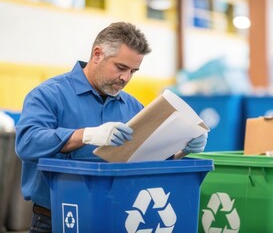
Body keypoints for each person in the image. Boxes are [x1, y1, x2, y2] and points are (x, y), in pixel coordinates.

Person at [15, 22, 208, 233]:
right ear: (97, 54)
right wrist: (86, 135)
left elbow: (150, 161)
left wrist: (182, 149)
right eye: (121, 67)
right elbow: (26, 143)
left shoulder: (134, 107)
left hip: (120, 217)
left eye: (133, 71)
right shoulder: (49, 94)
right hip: (61, 219)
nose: (126, 78)